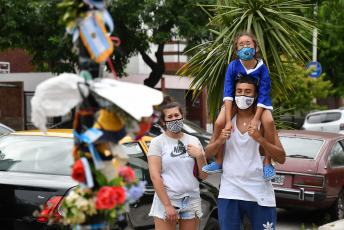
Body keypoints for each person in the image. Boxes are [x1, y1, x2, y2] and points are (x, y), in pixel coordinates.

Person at [205, 76, 286, 230]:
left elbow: (281, 158)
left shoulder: (264, 121)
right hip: (230, 192)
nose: (243, 96)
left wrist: (260, 139)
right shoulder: (225, 122)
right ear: (233, 94)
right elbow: (208, 153)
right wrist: (220, 141)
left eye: (248, 92)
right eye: (239, 91)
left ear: (255, 96)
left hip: (260, 193)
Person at [202, 31, 276, 181]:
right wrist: (228, 120)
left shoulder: (262, 68)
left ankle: (268, 163)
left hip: (259, 101)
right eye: (241, 45)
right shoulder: (233, 66)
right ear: (236, 50)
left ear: (255, 48)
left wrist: (256, 118)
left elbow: (263, 92)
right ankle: (219, 161)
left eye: (248, 44)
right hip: (237, 100)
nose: (245, 47)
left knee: (268, 122)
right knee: (219, 122)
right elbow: (228, 93)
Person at [148, 96, 208, 230]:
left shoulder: (194, 140)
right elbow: (155, 176)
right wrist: (167, 205)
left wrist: (199, 156)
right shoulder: (157, 142)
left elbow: (204, 176)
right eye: (169, 117)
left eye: (177, 115)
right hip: (167, 200)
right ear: (163, 122)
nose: (174, 119)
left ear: (182, 116)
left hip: (191, 199)